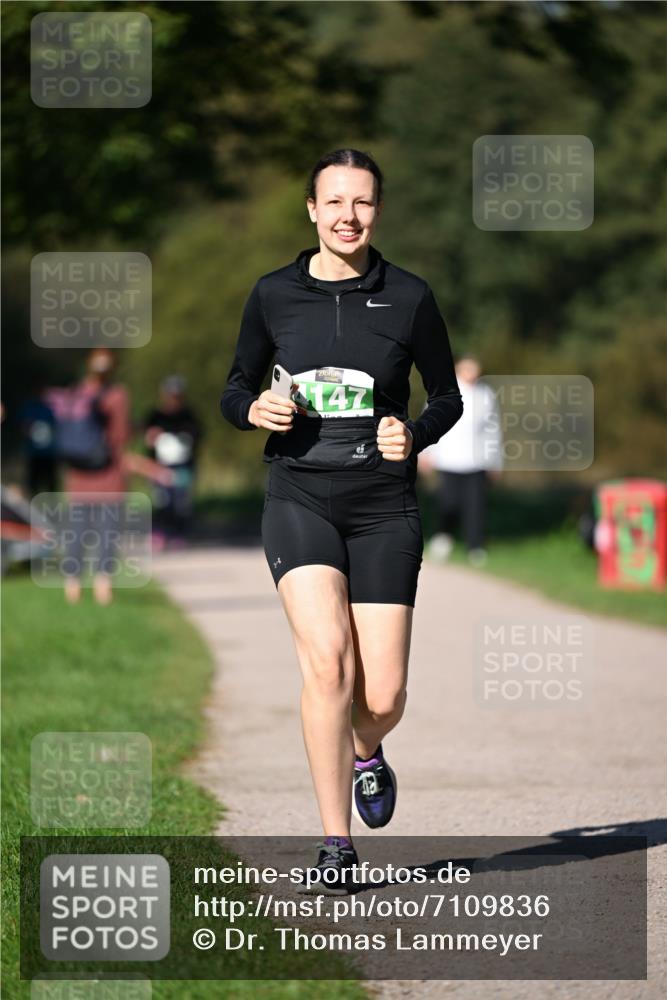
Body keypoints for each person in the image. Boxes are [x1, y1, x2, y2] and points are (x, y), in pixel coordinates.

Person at [221, 148, 463, 893]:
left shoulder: (410, 297)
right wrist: (251, 410)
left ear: (376, 211)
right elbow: (234, 388)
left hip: (382, 505)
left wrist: (413, 435)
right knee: (327, 662)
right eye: (333, 202)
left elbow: (446, 397)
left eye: (360, 203)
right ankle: (335, 844)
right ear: (310, 209)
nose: (346, 216)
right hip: (298, 495)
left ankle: (367, 751)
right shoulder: (272, 295)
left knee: (381, 695)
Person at [50, 347, 130, 606]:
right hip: (108, 474)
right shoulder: (117, 395)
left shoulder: (72, 394)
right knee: (107, 533)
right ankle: (102, 588)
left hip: (77, 475)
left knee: (76, 531)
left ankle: (71, 587)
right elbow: (120, 437)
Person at [418, 356, 503, 567]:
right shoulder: (444, 391)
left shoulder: (485, 395)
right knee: (449, 502)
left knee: (475, 505)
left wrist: (496, 461)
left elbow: (494, 431)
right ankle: (443, 536)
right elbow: (429, 422)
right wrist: (425, 453)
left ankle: (475, 546)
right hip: (448, 458)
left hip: (477, 460)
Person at [143, 375, 202, 550]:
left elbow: (197, 438)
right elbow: (147, 440)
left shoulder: (189, 416)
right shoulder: (155, 416)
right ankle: (160, 533)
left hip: (182, 467)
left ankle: (178, 535)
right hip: (160, 466)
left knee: (180, 503)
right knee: (162, 501)